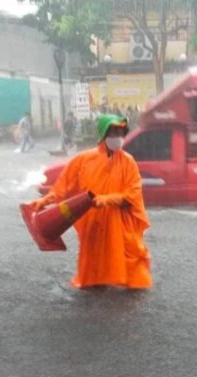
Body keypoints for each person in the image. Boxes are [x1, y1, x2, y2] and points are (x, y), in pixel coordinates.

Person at [30, 114, 152, 290]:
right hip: (93, 222)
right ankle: (94, 293)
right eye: (113, 132)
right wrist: (46, 200)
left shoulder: (128, 162)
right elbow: (64, 185)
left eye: (121, 132)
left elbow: (133, 194)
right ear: (103, 134)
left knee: (132, 257)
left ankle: (132, 297)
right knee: (94, 265)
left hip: (120, 223)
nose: (118, 137)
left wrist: (108, 199)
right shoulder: (83, 160)